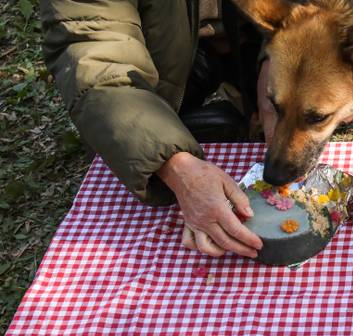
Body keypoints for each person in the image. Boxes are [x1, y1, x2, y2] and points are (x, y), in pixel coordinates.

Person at [40, 0, 280, 258]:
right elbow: (97, 60)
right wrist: (174, 165)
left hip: (251, 35)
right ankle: (172, 124)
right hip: (159, 54)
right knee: (143, 147)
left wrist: (279, 54)